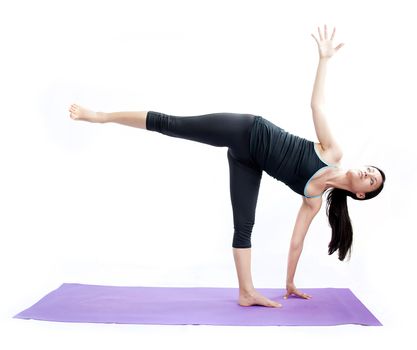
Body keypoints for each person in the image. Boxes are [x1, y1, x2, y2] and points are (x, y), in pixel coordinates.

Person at [68, 25, 386, 308]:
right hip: (247, 130)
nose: (368, 174)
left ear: (361, 195)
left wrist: (289, 283)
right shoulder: (333, 152)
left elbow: (296, 242)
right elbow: (317, 104)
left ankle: (246, 292)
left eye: (372, 181)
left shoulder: (313, 199)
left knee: (244, 227)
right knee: (172, 124)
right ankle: (99, 116)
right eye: (371, 170)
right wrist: (324, 60)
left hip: (247, 161)